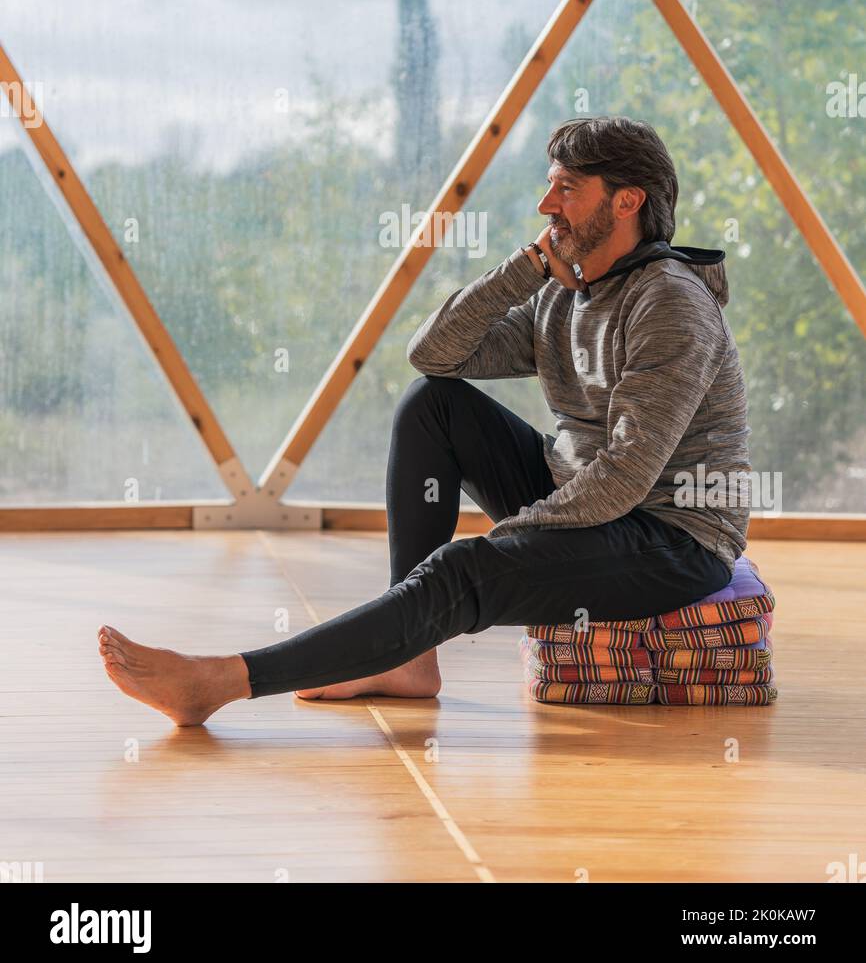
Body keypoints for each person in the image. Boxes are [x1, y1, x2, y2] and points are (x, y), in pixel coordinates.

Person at [98, 115, 752, 725]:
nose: (545, 206)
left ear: (626, 201)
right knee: (431, 404)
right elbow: (437, 355)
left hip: (670, 536)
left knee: (462, 571)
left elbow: (625, 477)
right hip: (588, 498)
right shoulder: (564, 291)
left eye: (565, 190)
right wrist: (521, 271)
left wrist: (512, 543)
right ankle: (407, 660)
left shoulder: (669, 302)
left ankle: (219, 682)